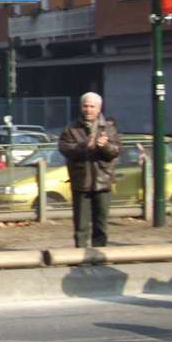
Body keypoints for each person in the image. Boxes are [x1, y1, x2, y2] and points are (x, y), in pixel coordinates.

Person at [58, 92, 121, 249]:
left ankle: (99, 257)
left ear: (99, 108)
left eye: (92, 106)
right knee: (81, 226)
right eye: (85, 106)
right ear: (81, 107)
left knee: (101, 224)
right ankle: (81, 257)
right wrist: (83, 146)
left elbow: (117, 150)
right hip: (81, 181)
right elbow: (65, 149)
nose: (88, 109)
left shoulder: (109, 129)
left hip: (103, 181)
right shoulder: (71, 129)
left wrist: (104, 146)